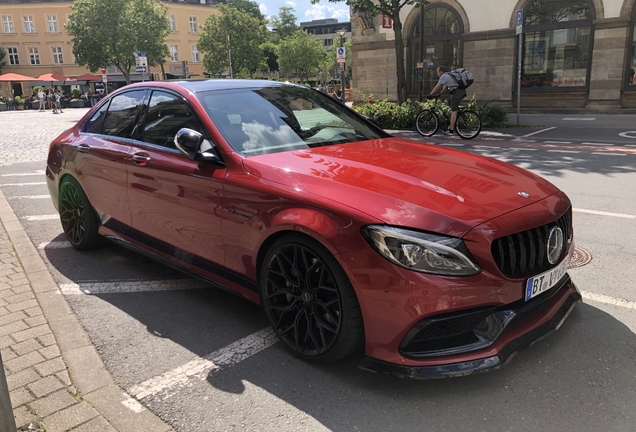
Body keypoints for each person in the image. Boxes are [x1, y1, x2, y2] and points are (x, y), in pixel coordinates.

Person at [428, 65, 466, 135]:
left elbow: (437, 87)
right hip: (457, 92)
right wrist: (440, 94)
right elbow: (446, 87)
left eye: (437, 72)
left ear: (441, 71)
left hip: (457, 92)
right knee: (446, 101)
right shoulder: (448, 75)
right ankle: (455, 115)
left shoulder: (444, 76)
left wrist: (430, 95)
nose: (437, 74)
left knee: (453, 112)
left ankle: (451, 130)